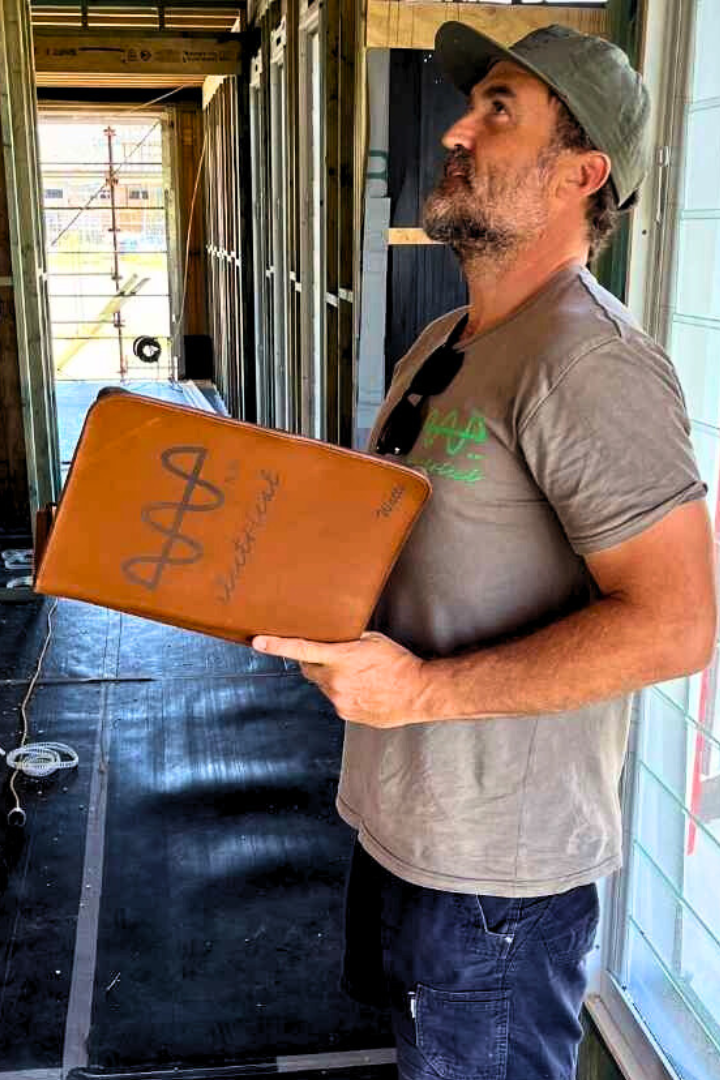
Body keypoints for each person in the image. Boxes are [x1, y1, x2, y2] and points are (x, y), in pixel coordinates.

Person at [252, 22, 717, 1080]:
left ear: (582, 173)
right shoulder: (446, 343)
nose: (456, 131)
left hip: (498, 876)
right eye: (471, 108)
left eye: (499, 110)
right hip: (406, 823)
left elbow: (678, 626)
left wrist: (418, 693)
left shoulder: (589, 361)